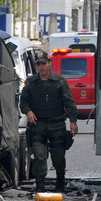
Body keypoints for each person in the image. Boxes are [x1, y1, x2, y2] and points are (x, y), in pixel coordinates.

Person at [20, 50, 78, 192]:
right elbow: (23, 102)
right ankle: (40, 184)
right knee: (39, 155)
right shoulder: (31, 83)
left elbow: (69, 102)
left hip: (57, 124)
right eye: (39, 64)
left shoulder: (59, 81)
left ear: (49, 63)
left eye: (44, 63)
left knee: (58, 157)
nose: (42, 67)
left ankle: (60, 182)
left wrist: (73, 121)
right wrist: (28, 111)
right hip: (38, 125)